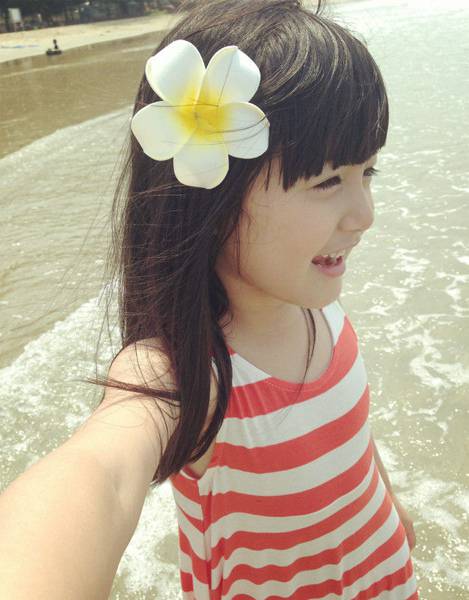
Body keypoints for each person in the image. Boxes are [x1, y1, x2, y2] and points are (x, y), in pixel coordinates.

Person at [0, 0, 419, 598]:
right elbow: (102, 476)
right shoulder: (188, 371)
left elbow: (350, 434)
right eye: (328, 180)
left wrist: (390, 505)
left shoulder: (315, 302)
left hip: (387, 574)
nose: (364, 215)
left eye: (368, 173)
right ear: (212, 198)